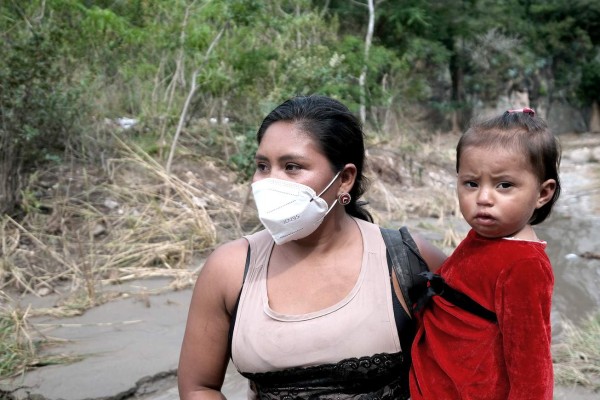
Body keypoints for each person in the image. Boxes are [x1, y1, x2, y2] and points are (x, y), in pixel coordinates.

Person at [178, 95, 447, 399]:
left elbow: (469, 362)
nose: (270, 182)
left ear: (344, 179)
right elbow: (199, 386)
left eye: (292, 167)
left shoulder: (405, 259)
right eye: (263, 166)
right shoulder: (229, 269)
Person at [409, 107, 561, 399]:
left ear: (543, 193)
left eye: (505, 185)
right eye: (471, 183)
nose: (483, 199)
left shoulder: (524, 265)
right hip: (434, 375)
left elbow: (531, 364)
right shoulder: (487, 234)